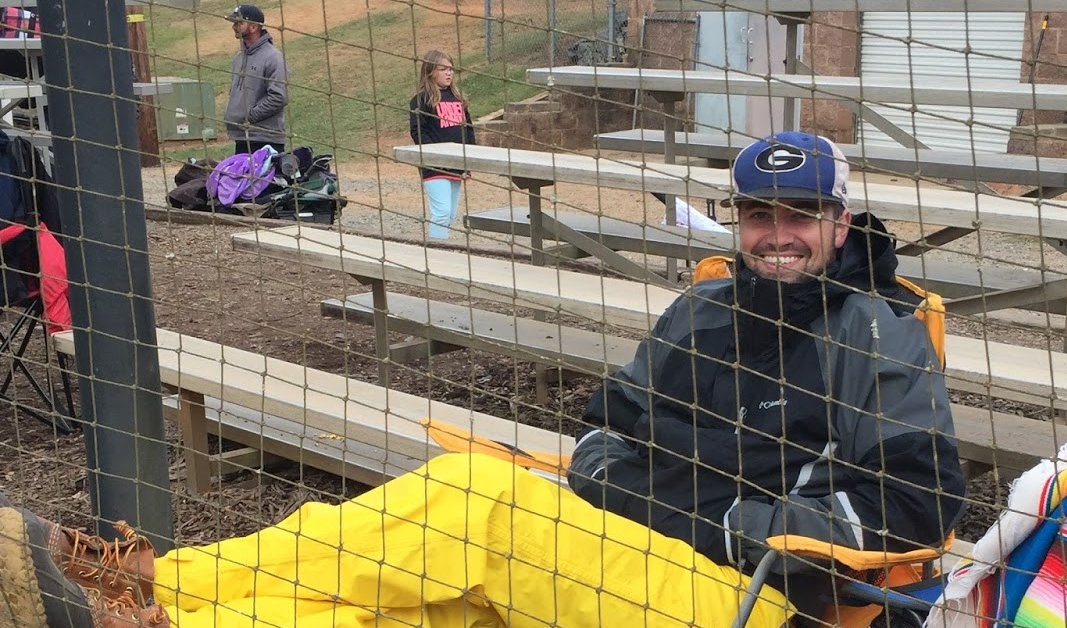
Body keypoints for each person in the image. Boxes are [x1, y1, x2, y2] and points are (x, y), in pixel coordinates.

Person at [0, 131, 963, 628]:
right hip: (621, 553)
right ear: (738, 219)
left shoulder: (881, 332)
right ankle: (139, 611)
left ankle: (142, 575)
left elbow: (911, 510)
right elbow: (602, 435)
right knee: (429, 603)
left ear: (839, 224)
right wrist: (639, 488)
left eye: (802, 213)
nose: (778, 235)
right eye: (760, 212)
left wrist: (700, 511)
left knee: (480, 505)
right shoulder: (703, 308)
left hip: (754, 600)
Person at [409, 49, 475, 240]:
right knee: (442, 212)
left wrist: (470, 153)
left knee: (451, 213)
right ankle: (438, 252)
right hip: (435, 165)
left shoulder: (458, 99)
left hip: (457, 164)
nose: (449, 73)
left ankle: (441, 243)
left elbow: (468, 128)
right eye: (443, 69)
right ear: (430, 72)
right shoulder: (421, 100)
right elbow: (418, 131)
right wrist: (436, 155)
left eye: (451, 69)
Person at [223, 4, 289, 155]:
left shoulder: (273, 58)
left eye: (239, 23)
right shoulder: (239, 58)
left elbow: (279, 97)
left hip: (265, 140)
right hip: (242, 137)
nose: (234, 27)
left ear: (253, 27)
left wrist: (248, 117)